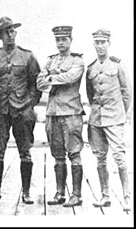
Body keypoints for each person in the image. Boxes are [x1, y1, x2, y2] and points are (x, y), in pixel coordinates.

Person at [0, 16, 42, 205]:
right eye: (6, 32)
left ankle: (26, 192)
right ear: (0, 36)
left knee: (25, 152)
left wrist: (30, 104)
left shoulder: (27, 56)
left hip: (22, 110)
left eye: (12, 31)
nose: (10, 35)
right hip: (0, 112)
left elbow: (36, 83)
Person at [37, 26, 86, 207]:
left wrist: (52, 78)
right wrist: (52, 77)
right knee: (57, 154)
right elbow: (39, 82)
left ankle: (77, 194)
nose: (60, 43)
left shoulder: (77, 61)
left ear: (70, 40)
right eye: (58, 40)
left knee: (74, 152)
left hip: (71, 113)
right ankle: (60, 193)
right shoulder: (50, 61)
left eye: (64, 39)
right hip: (52, 113)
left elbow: (70, 78)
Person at [86, 29, 132, 211]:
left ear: (109, 43)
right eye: (97, 42)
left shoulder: (118, 66)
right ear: (94, 45)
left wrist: (119, 114)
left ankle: (127, 197)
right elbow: (90, 95)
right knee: (100, 158)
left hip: (114, 118)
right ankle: (105, 195)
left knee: (120, 157)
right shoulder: (90, 68)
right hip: (96, 120)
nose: (100, 46)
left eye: (103, 42)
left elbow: (127, 94)